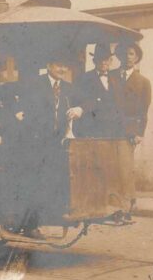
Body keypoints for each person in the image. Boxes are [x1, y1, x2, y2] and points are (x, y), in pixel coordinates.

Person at [16, 53, 83, 236]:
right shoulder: (34, 84)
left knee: (53, 181)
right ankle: (30, 226)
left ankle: (50, 217)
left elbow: (84, 104)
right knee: (34, 182)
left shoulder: (68, 88)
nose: (62, 69)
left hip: (57, 143)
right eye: (58, 65)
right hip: (35, 143)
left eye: (64, 66)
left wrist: (79, 109)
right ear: (49, 66)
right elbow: (23, 111)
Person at [74, 43, 125, 139]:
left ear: (110, 61)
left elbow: (120, 105)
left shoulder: (116, 79)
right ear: (94, 61)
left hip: (113, 131)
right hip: (93, 129)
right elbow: (81, 102)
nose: (103, 63)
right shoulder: (84, 78)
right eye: (100, 59)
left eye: (106, 59)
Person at [113, 41, 151, 147]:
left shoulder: (144, 82)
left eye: (131, 54)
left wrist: (139, 133)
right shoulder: (110, 76)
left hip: (130, 132)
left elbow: (144, 110)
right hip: (109, 129)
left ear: (136, 57)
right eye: (124, 53)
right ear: (119, 56)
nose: (127, 57)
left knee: (125, 161)